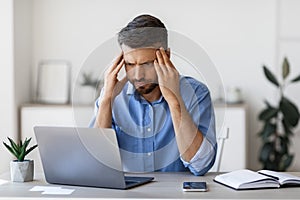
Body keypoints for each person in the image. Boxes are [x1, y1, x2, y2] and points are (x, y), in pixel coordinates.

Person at [90, 14, 216, 176]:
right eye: (129, 64)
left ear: (166, 57)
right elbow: (96, 163)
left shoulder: (196, 93)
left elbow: (201, 166)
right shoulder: (113, 96)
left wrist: (175, 100)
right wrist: (107, 100)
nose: (137, 75)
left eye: (147, 64)